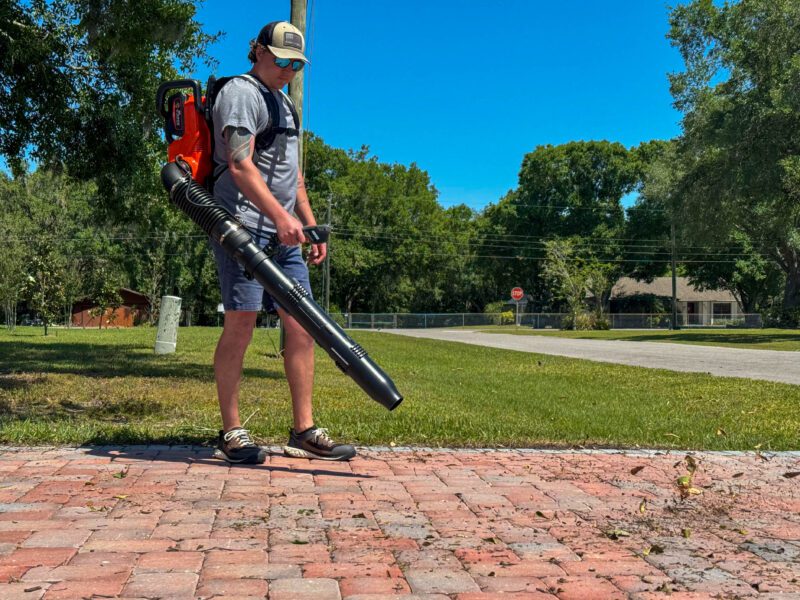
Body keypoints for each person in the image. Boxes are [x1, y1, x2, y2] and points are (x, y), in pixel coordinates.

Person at [210, 21, 355, 464]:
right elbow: (239, 165)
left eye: (297, 64)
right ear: (257, 52)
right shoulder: (240, 93)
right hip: (243, 227)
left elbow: (295, 176)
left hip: (285, 233)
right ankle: (232, 431)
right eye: (282, 60)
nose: (289, 70)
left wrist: (307, 225)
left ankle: (304, 429)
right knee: (242, 323)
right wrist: (279, 216)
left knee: (302, 326)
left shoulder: (287, 105)